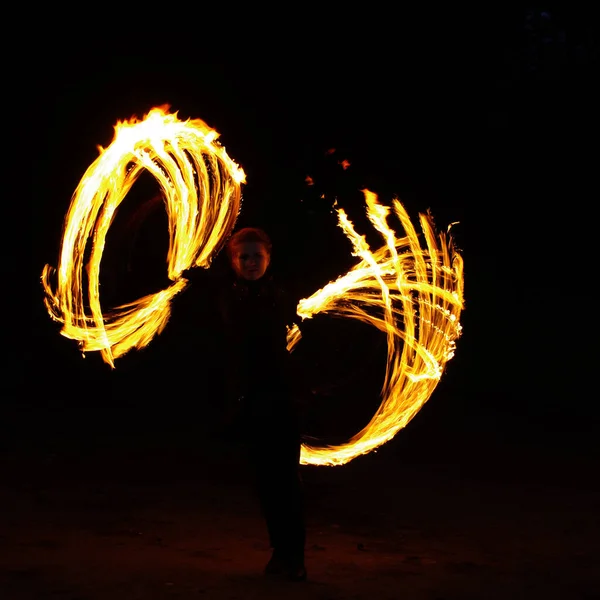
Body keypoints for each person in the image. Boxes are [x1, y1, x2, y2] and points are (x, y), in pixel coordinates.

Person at [179, 227, 308, 582]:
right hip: (250, 403)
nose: (251, 262)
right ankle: (280, 556)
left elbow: (280, 336)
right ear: (233, 261)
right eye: (244, 257)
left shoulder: (281, 296)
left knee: (285, 482)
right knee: (267, 483)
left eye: (257, 256)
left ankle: (293, 558)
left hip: (281, 401)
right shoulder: (225, 295)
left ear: (269, 258)